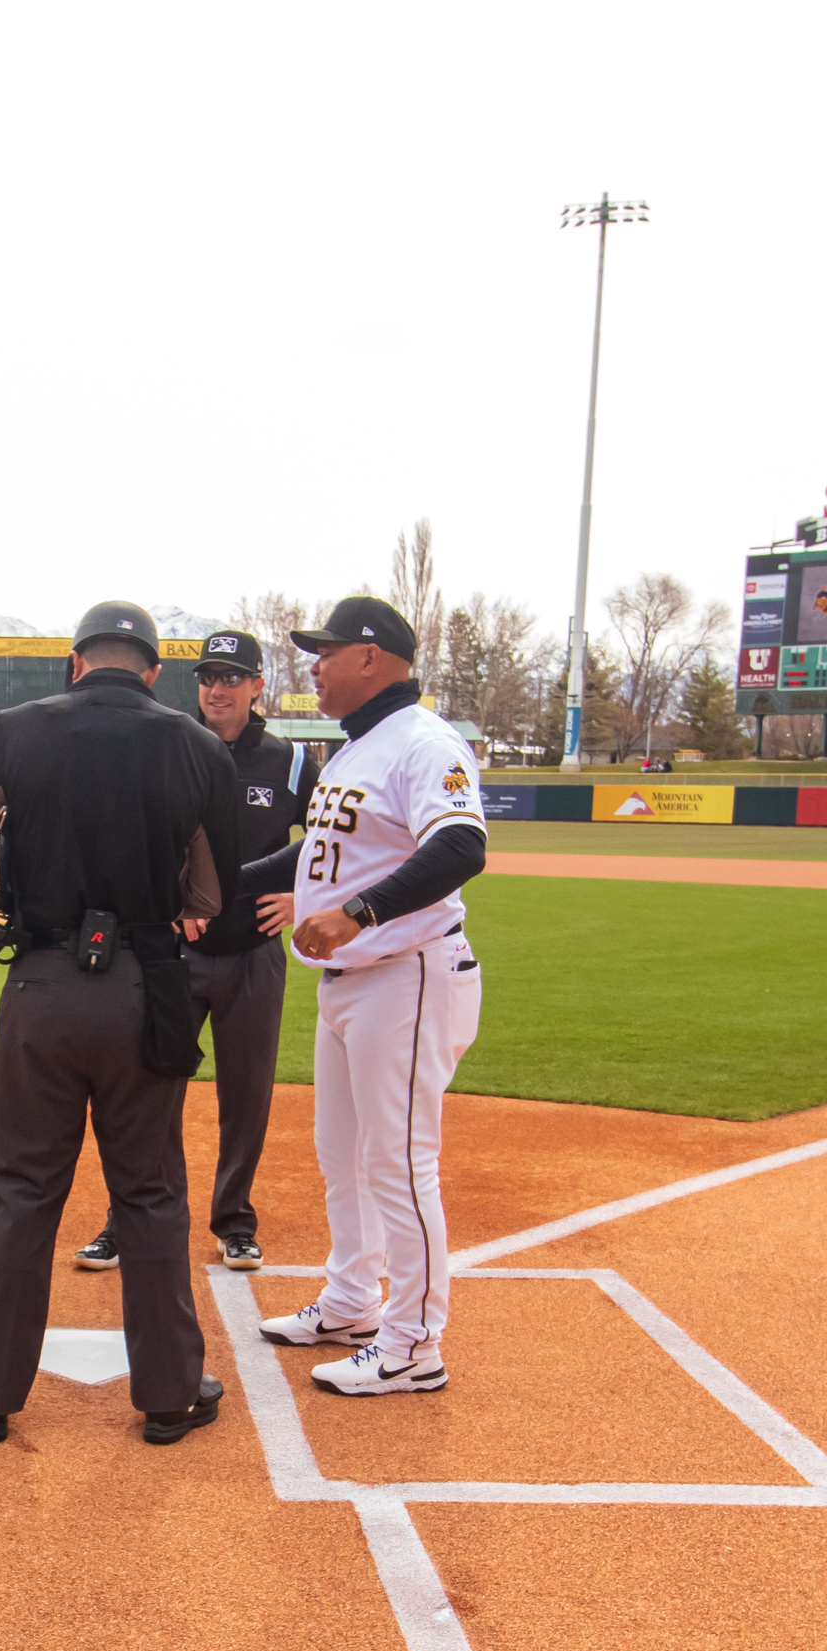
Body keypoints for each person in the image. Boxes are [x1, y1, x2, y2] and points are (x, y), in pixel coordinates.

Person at [0, 601, 243, 1446]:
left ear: (74, 663)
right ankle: (170, 1392)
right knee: (151, 1193)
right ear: (150, 671)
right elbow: (213, 894)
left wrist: (3, 892)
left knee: (24, 1191)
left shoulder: (15, 732)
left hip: (41, 984)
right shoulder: (194, 743)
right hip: (145, 986)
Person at [248, 596, 487, 1394]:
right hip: (354, 983)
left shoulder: (423, 741)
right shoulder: (355, 750)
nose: (313, 664)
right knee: (341, 1155)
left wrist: (358, 913)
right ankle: (352, 1299)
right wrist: (207, 892)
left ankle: (415, 1341)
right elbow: (313, 860)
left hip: (407, 973)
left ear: (372, 657)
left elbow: (461, 846)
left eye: (326, 649)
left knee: (400, 1160)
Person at [73, 628, 310, 1274]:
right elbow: (135, 836)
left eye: (232, 677)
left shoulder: (290, 762)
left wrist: (305, 900)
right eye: (209, 676)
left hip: (255, 953)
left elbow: (335, 842)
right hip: (177, 951)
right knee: (150, 1089)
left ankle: (235, 1220)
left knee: (247, 1094)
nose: (218, 688)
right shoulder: (170, 744)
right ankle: (129, 1217)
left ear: (258, 686)